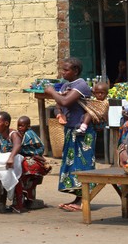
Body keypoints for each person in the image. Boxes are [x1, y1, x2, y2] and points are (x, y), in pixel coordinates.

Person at [44, 57, 95, 212]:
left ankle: (84, 200)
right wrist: (59, 114)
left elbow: (65, 101)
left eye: (66, 70)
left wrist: (52, 91)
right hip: (70, 130)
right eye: (63, 69)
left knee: (83, 165)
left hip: (83, 132)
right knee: (72, 164)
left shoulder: (81, 85)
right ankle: (78, 198)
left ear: (76, 71)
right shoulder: (66, 85)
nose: (63, 72)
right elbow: (59, 105)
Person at [12, 116, 51, 212]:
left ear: (28, 126)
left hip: (34, 156)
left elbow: (22, 146)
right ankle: (26, 197)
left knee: (23, 171)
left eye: (22, 126)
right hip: (31, 157)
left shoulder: (29, 135)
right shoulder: (22, 134)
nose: (19, 128)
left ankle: (20, 202)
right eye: (18, 126)